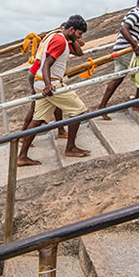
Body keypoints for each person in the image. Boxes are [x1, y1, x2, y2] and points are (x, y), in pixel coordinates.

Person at [17, 15, 91, 166]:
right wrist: (48, 85)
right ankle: (70, 147)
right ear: (71, 29)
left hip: (42, 82)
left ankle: (22, 156)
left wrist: (73, 38)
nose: (80, 37)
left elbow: (79, 53)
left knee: (38, 119)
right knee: (78, 109)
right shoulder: (59, 40)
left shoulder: (62, 39)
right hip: (50, 83)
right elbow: (46, 65)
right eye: (79, 33)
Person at [97, 0, 139, 120]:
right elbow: (124, 29)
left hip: (119, 49)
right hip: (126, 50)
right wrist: (135, 46)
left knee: (117, 78)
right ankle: (137, 103)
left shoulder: (134, 13)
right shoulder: (136, 13)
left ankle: (102, 107)